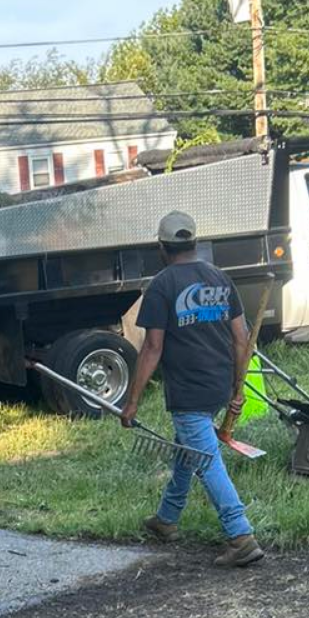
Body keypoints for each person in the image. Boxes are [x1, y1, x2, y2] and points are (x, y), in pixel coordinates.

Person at [120, 210, 264, 568]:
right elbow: (241, 339)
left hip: (188, 390)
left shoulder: (162, 285)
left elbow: (152, 348)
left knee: (206, 460)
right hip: (217, 385)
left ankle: (240, 535)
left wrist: (132, 401)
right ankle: (167, 519)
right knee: (188, 449)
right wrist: (236, 387)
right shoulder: (220, 279)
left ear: (162, 248)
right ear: (195, 244)